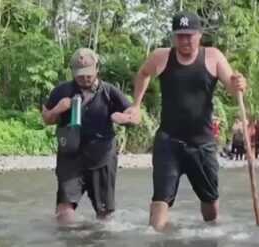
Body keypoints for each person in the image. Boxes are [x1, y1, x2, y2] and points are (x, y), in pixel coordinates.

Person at [124, 11, 247, 231]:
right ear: (174, 36)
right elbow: (143, 74)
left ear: (200, 34)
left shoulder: (213, 56)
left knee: (210, 207)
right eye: (180, 35)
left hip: (202, 144)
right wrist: (136, 105)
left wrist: (239, 84)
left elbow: (231, 85)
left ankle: (211, 236)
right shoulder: (161, 57)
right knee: (160, 199)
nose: (185, 40)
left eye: (189, 35)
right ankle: (157, 237)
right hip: (168, 142)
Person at [41, 48, 139, 225]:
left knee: (105, 216)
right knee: (64, 213)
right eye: (80, 75)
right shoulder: (61, 91)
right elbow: (47, 118)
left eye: (88, 74)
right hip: (70, 159)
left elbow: (136, 117)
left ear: (97, 68)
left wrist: (124, 118)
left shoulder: (110, 92)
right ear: (72, 71)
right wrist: (58, 109)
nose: (85, 78)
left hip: (102, 158)